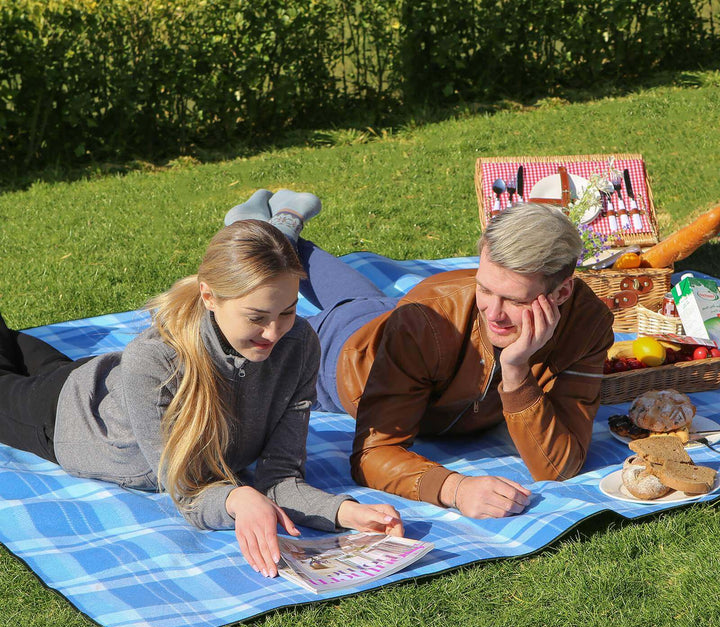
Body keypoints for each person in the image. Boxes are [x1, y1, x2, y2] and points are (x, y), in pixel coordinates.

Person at [0, 217, 403, 579]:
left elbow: (280, 476)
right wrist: (236, 499)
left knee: (14, 343)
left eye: (288, 311)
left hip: (105, 376)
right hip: (68, 417)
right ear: (210, 297)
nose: (275, 332)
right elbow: (188, 490)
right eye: (257, 317)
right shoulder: (157, 358)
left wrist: (348, 513)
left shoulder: (300, 345)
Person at [225, 191, 615, 519]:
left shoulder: (586, 322)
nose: (493, 312)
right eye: (484, 288)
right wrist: (455, 489)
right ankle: (268, 233)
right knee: (292, 296)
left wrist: (515, 372)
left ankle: (284, 225)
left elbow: (558, 466)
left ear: (562, 293)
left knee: (366, 300)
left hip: (395, 319)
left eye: (513, 299)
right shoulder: (424, 320)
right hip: (344, 353)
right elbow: (372, 453)